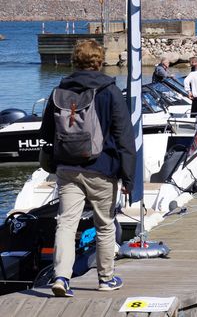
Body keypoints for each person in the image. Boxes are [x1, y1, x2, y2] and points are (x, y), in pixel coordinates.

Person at [40, 39, 136, 297]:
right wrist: (129, 178)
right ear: (99, 61)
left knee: (66, 224)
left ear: (75, 60)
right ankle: (106, 279)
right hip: (102, 168)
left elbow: (46, 132)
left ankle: (61, 276)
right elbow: (125, 137)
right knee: (105, 225)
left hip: (67, 168)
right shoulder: (110, 91)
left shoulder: (59, 90)